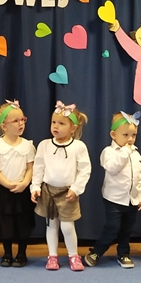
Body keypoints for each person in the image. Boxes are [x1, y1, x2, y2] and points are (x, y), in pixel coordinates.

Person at [30, 101, 91, 272]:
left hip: (67, 193)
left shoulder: (78, 147)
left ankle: (73, 255)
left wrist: (76, 189)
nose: (56, 126)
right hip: (48, 192)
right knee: (51, 225)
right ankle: (52, 256)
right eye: (53, 122)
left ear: (73, 128)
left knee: (67, 226)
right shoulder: (44, 145)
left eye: (61, 123)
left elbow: (85, 170)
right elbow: (38, 167)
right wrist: (35, 187)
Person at [84, 112, 141, 268]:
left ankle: (123, 254)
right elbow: (112, 168)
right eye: (125, 135)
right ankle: (96, 251)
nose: (130, 139)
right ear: (113, 135)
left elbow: (138, 177)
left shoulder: (136, 153)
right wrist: (125, 152)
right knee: (112, 228)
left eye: (133, 135)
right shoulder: (109, 152)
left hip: (131, 200)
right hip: (114, 199)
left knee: (126, 230)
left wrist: (140, 196)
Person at [0, 100, 35, 268]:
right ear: (4, 126)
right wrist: (7, 184)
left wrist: (25, 183)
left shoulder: (28, 145)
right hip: (3, 191)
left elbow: (31, 168)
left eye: (22, 119)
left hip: (22, 190)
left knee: (23, 224)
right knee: (5, 224)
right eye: (15, 121)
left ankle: (22, 254)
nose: (20, 124)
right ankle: (7, 254)